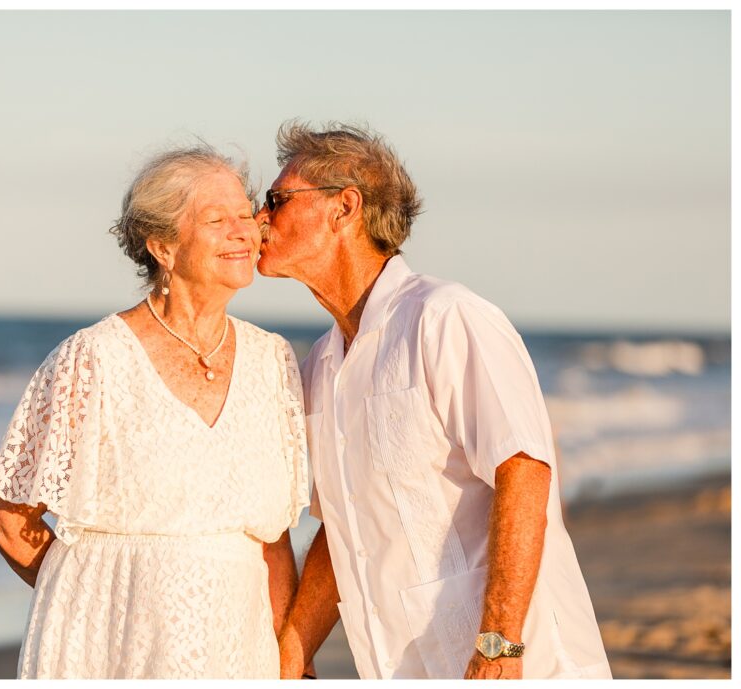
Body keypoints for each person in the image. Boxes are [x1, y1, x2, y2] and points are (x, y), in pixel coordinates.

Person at [256, 121, 612, 679]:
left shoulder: (445, 318)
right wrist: (293, 653)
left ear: (344, 208)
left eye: (276, 200)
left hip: (509, 661)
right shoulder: (320, 367)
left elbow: (523, 469)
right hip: (395, 666)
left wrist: (500, 643)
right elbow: (344, 528)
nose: (260, 218)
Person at [0, 145, 309, 679]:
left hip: (240, 656)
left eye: (246, 215)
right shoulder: (93, 358)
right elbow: (6, 518)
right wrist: (92, 607)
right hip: (112, 657)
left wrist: (293, 663)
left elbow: (273, 540)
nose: (243, 231)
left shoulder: (272, 360)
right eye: (216, 219)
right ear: (163, 247)